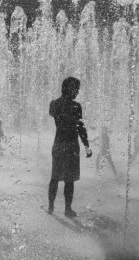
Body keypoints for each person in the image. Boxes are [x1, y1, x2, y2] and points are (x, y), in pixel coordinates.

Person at [47, 77, 92, 217]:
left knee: (55, 177)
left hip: (59, 144)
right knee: (69, 180)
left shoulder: (54, 104)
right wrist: (87, 146)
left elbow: (58, 119)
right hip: (72, 146)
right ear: (69, 89)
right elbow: (80, 127)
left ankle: (51, 207)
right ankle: (67, 209)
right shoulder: (76, 106)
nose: (77, 92)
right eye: (76, 89)